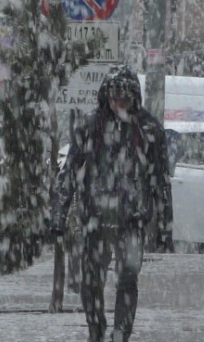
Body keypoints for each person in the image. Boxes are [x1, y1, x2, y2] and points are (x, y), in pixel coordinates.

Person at [49, 65, 173, 342]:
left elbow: (160, 181)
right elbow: (68, 171)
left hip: (132, 219)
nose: (119, 103)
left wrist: (165, 226)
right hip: (96, 218)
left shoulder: (149, 130)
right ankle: (97, 329)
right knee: (91, 282)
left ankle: (120, 334)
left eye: (125, 97)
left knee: (128, 279)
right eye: (114, 97)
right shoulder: (90, 126)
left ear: (135, 98)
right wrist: (58, 215)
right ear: (105, 96)